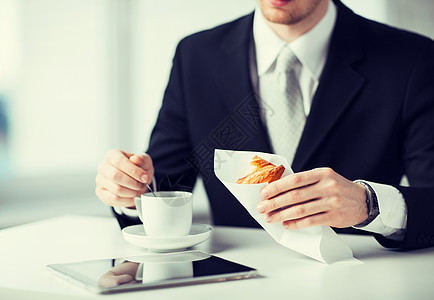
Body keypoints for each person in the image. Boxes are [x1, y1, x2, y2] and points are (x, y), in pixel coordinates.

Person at [95, 0, 434, 249]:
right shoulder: (195, 55)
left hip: (360, 283)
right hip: (235, 283)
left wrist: (367, 203)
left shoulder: (412, 59)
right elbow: (166, 184)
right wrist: (130, 192)